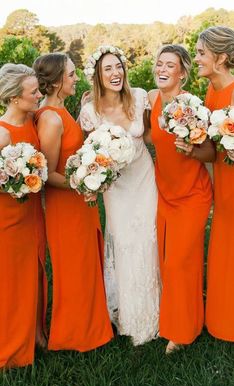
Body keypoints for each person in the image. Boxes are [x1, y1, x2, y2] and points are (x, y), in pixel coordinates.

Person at [79, 45, 160, 346]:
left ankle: (157, 311)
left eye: (119, 67)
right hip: (116, 188)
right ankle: (129, 315)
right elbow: (89, 154)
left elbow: (150, 135)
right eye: (108, 69)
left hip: (144, 178)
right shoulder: (89, 111)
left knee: (148, 238)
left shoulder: (139, 97)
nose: (116, 74)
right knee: (124, 242)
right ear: (97, 77)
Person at [33, 52, 113, 352]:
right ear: (55, 82)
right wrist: (82, 183)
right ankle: (74, 335)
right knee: (74, 269)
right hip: (65, 206)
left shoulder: (62, 111)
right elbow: (47, 175)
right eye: (70, 74)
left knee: (85, 264)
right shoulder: (51, 119)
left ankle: (92, 326)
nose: (75, 78)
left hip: (80, 202)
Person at [147, 44, 215, 353]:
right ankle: (178, 320)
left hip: (193, 195)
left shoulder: (193, 106)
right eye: (159, 63)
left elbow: (211, 152)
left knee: (179, 264)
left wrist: (192, 150)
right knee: (167, 263)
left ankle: (184, 331)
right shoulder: (151, 99)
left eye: (169, 65)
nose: (162, 69)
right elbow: (150, 135)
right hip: (165, 194)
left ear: (182, 73)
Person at [0, 63, 47, 368]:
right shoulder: (2, 134)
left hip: (33, 213)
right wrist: (14, 184)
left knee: (36, 272)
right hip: (9, 218)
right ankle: (12, 351)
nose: (39, 95)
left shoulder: (33, 120)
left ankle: (36, 333)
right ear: (16, 99)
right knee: (12, 282)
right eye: (34, 92)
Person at [195, 26, 234, 342]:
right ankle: (222, 319)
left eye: (200, 53)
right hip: (223, 181)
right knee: (224, 247)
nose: (196, 59)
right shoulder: (210, 93)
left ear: (221, 57)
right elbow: (213, 150)